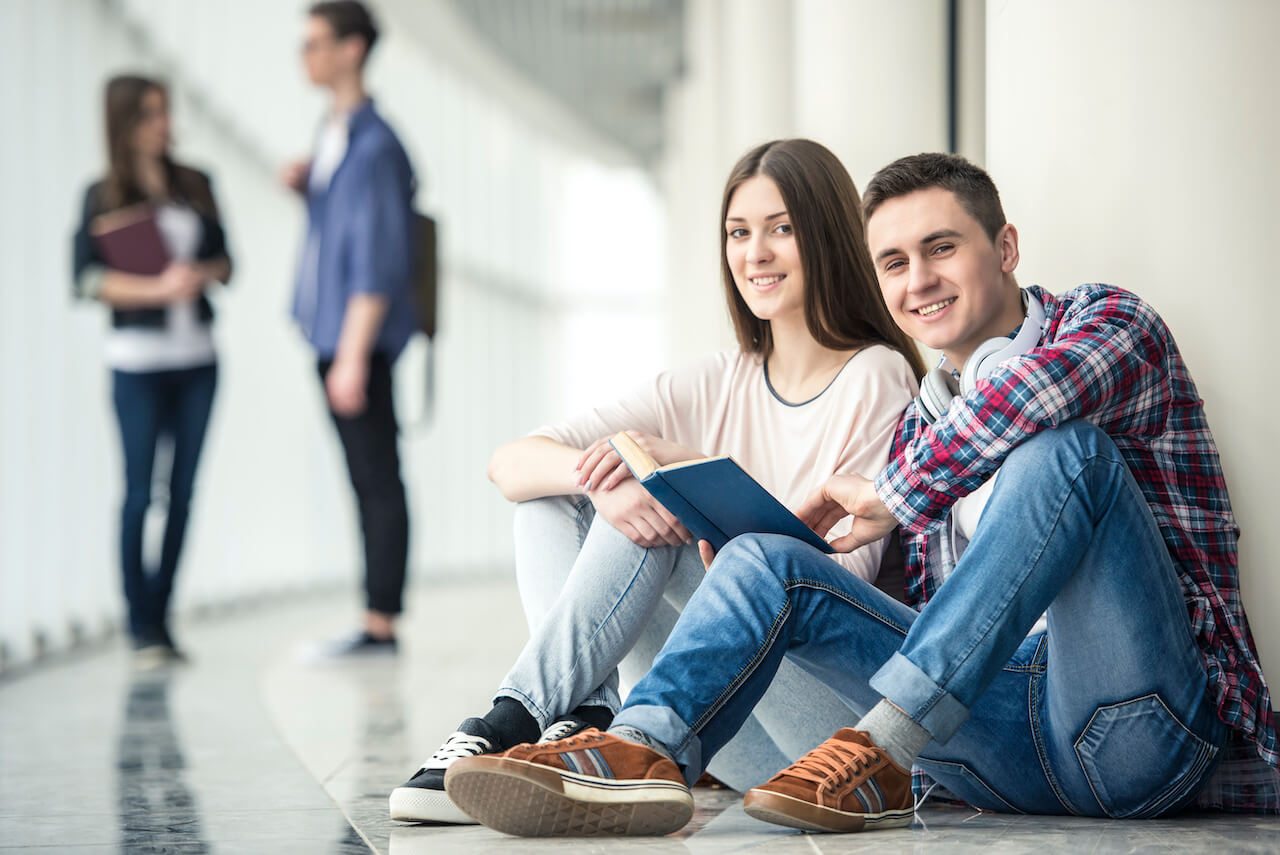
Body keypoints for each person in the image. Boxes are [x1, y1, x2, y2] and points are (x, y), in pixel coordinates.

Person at [441, 152, 1279, 836]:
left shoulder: (1109, 324)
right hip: (990, 747)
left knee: (1066, 455)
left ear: (1007, 247)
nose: (919, 279)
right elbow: (925, 610)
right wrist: (771, 567)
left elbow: (1029, 404)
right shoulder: (920, 424)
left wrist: (890, 495)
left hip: (1138, 726)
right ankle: (636, 750)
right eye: (895, 262)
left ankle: (880, 745)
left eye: (941, 248)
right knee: (766, 557)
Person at [388, 138, 927, 824]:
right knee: (567, 494)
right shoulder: (717, 378)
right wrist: (612, 477)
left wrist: (677, 477)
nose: (754, 252)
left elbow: (835, 583)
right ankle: (578, 711)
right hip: (720, 729)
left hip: (831, 740)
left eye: (781, 228)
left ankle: (514, 714)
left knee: (653, 499)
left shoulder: (876, 374)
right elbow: (511, 463)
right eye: (738, 232)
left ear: (827, 236)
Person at [72, 74, 232, 668]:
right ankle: (139, 623)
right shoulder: (101, 195)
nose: (163, 124)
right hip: (136, 364)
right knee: (139, 493)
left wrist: (201, 273)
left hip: (198, 361)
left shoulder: (195, 184)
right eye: (149, 114)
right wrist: (155, 287)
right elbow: (85, 278)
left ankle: (162, 618)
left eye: (165, 112)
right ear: (124, 123)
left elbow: (226, 259)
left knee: (182, 493)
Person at [282, 1, 419, 659]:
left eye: (315, 43)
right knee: (367, 473)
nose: (303, 56)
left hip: (354, 341)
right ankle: (376, 614)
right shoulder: (335, 133)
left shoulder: (373, 145)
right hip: (336, 337)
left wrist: (354, 354)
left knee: (375, 474)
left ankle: (380, 620)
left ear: (353, 48)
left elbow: (379, 259)